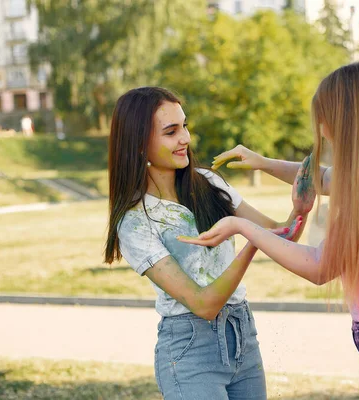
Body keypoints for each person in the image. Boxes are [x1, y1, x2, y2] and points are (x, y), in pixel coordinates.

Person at [179, 62, 359, 400]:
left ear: (347, 120)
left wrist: (243, 227)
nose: (323, 131)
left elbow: (320, 267)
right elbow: (322, 177)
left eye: (324, 119)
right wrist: (263, 162)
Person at [103, 86, 303, 400]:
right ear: (139, 145)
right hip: (189, 350)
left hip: (243, 338)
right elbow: (204, 303)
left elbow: (284, 235)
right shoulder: (137, 220)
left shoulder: (209, 183)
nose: (185, 138)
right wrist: (251, 237)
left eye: (184, 126)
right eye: (171, 131)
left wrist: (301, 200)